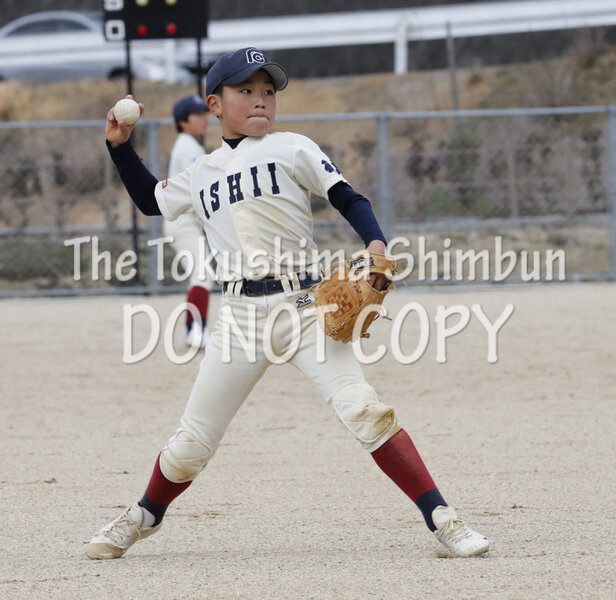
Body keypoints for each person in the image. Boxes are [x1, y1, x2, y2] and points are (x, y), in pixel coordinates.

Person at [86, 47, 490, 560]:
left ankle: (443, 519)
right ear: (214, 104)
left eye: (268, 91)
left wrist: (376, 244)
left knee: (365, 410)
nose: (260, 100)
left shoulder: (292, 147)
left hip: (305, 308)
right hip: (239, 319)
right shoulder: (201, 171)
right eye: (246, 91)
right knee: (191, 444)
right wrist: (120, 147)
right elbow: (150, 200)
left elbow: (348, 197)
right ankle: (143, 516)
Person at [168, 95, 214, 348]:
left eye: (204, 114)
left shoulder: (188, 144)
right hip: (182, 222)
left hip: (184, 221)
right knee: (202, 274)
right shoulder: (188, 147)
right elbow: (199, 187)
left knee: (202, 274)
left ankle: (192, 330)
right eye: (197, 115)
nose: (204, 119)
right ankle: (194, 331)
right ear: (183, 122)